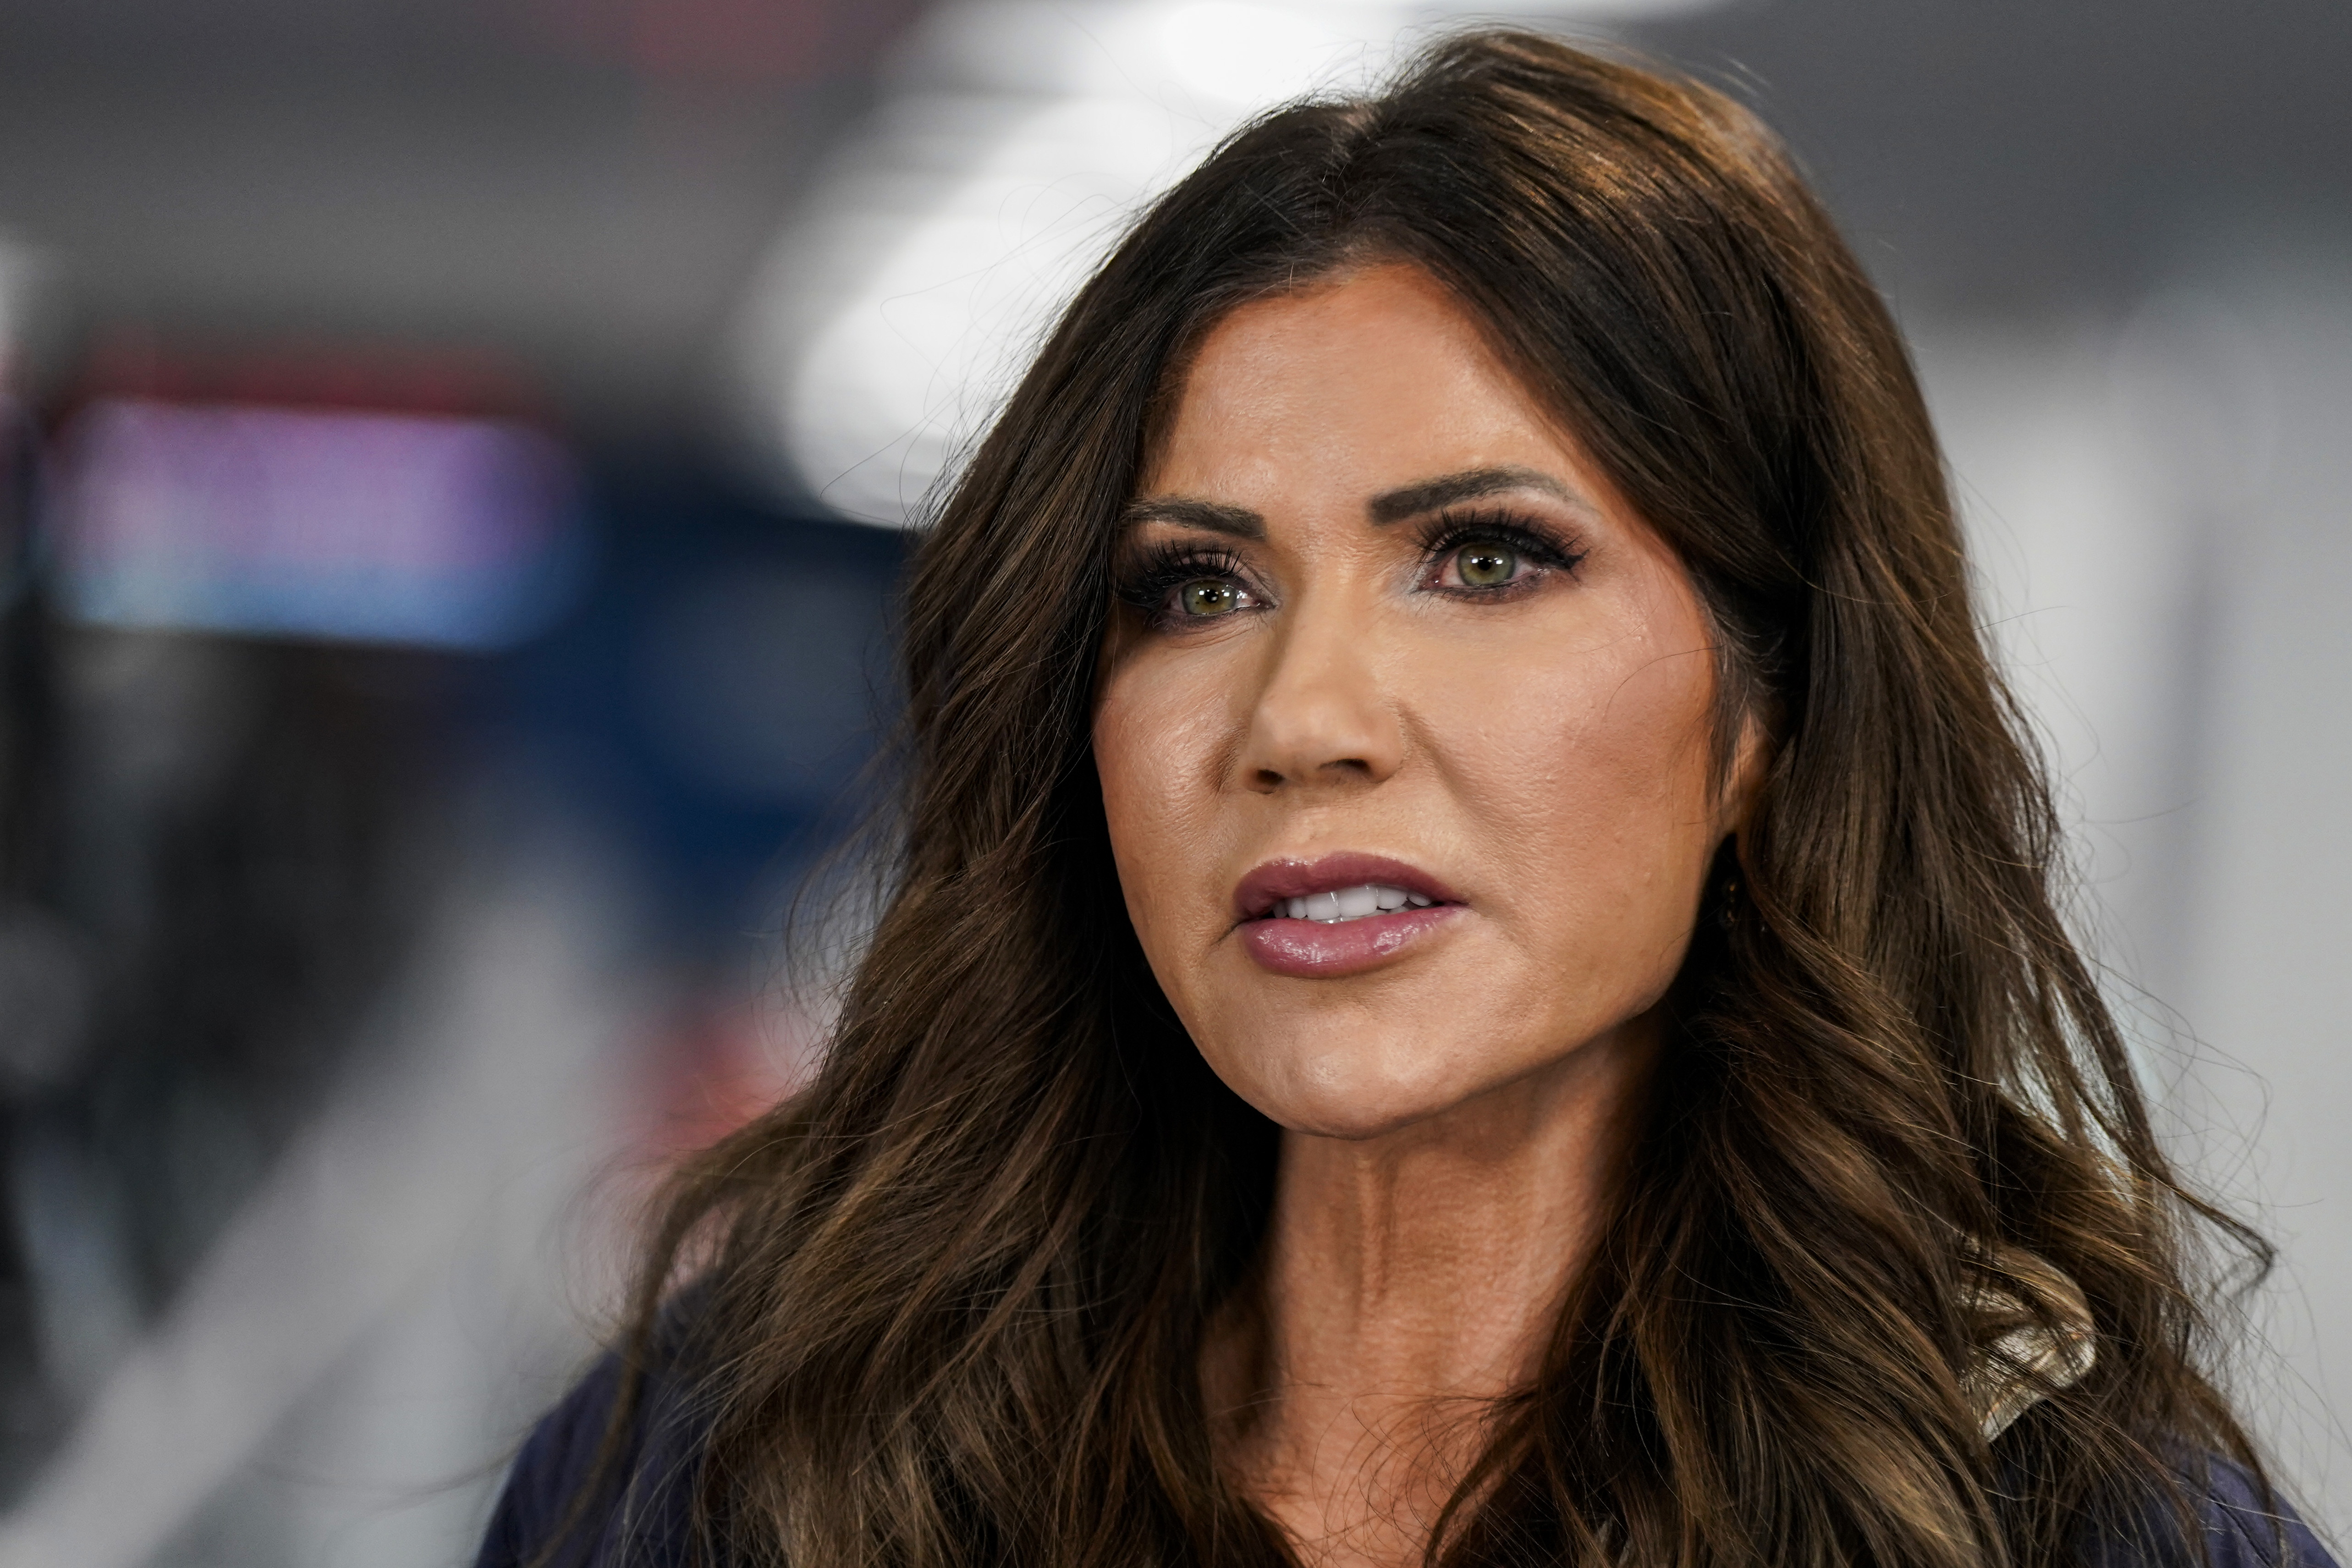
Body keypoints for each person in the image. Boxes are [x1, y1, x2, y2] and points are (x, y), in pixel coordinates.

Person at [477, 30, 2335, 1568]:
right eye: (1193, 589)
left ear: (1770, 716)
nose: (1302, 717)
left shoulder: (2056, 1528)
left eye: (1484, 558)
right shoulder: (741, 1469)